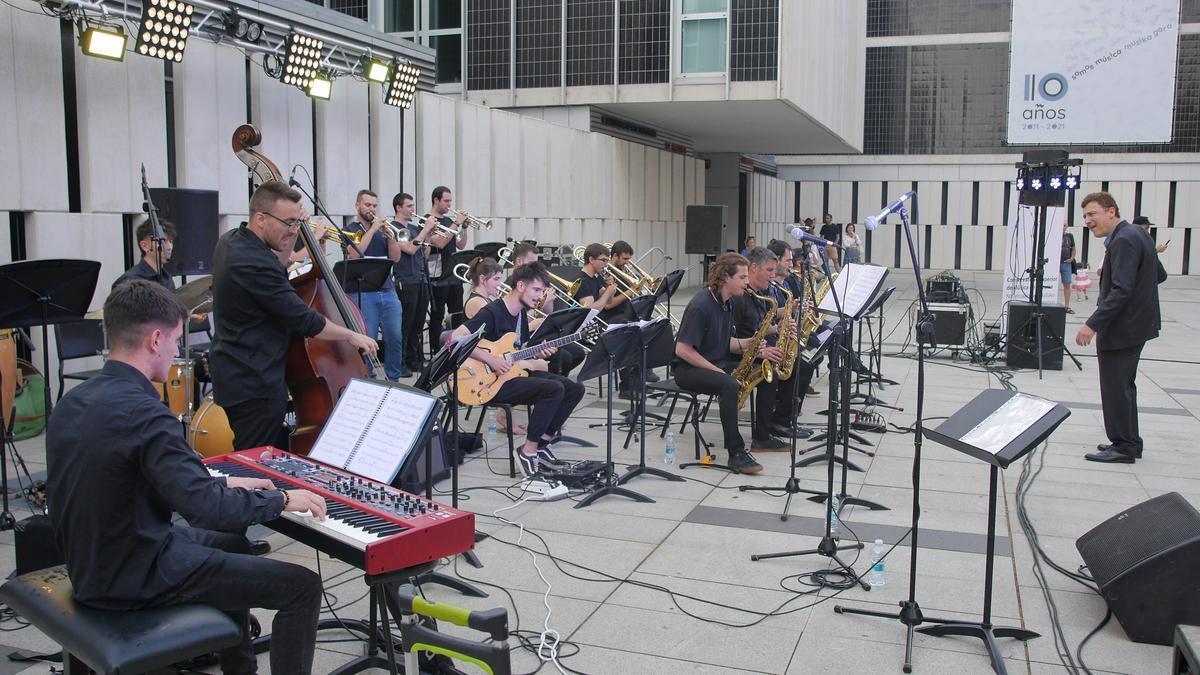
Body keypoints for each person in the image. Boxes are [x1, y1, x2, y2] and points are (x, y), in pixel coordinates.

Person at [47, 279, 328, 674]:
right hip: (134, 575)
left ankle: (239, 667)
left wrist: (227, 482)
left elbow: (132, 478)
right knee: (302, 587)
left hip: (94, 560)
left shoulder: (74, 401)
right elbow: (207, 510)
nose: (178, 351)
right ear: (156, 339)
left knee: (232, 544)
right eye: (177, 341)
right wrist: (281, 499)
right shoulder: (146, 414)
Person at [210, 180, 378, 451]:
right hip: (253, 380)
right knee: (255, 458)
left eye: (295, 223)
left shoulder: (232, 241)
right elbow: (306, 320)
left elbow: (280, 262)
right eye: (288, 222)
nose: (293, 230)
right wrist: (351, 335)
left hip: (238, 372)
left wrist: (294, 231)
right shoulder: (253, 263)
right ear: (261, 218)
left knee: (260, 453)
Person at [449, 262, 585, 477]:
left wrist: (537, 352)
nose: (540, 296)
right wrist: (489, 359)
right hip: (487, 382)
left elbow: (518, 349)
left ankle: (541, 444)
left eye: (542, 291)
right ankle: (527, 451)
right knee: (553, 389)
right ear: (521, 285)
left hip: (510, 374)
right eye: (536, 290)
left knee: (574, 389)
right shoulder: (492, 312)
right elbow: (453, 339)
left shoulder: (521, 313)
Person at [1075, 192, 1165, 464]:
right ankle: (1129, 441)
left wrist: (1092, 324)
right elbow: (1159, 275)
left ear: (1111, 211)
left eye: (1093, 214)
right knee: (1125, 386)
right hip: (1136, 326)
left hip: (1123, 328)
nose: (1088, 221)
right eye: (1085, 216)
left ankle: (1124, 447)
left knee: (1115, 387)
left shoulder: (1124, 240)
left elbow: (1121, 290)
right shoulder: (1139, 236)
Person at [673, 252, 766, 475]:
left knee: (763, 370)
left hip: (715, 362)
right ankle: (736, 453)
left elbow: (725, 342)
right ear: (726, 278)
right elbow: (682, 349)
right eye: (742, 277)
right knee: (729, 385)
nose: (746, 282)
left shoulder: (728, 302)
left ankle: (764, 433)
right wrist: (720, 373)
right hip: (688, 370)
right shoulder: (701, 306)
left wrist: (751, 344)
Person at [731, 247, 795, 452]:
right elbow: (727, 339)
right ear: (754, 267)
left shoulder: (760, 294)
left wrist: (781, 328)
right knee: (771, 375)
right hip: (736, 353)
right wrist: (759, 352)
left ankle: (778, 422)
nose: (773, 275)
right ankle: (762, 435)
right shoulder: (738, 296)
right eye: (769, 270)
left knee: (794, 362)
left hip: (753, 347)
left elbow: (760, 326)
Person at [345, 189, 406, 380]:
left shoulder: (382, 231)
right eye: (367, 205)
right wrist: (372, 230)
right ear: (357, 205)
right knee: (368, 339)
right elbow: (354, 254)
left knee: (395, 337)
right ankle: (368, 379)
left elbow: (395, 258)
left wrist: (389, 236)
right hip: (363, 293)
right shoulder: (351, 228)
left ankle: (393, 379)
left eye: (374, 205)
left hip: (387, 289)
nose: (371, 209)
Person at [392, 192, 437, 377]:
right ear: (398, 207)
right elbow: (409, 249)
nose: (412, 209)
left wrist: (428, 237)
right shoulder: (394, 228)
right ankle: (401, 362)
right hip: (406, 280)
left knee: (418, 324)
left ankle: (413, 359)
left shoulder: (413, 227)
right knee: (406, 323)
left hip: (421, 278)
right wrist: (425, 230)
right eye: (409, 206)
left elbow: (423, 254)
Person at [425, 186, 469, 352]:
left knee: (457, 313)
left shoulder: (448, 221)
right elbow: (440, 243)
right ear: (436, 200)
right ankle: (437, 350)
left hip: (454, 274)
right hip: (438, 275)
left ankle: (457, 348)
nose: (449, 205)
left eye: (450, 201)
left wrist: (463, 227)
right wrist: (456, 222)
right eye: (446, 201)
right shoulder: (428, 220)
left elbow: (461, 244)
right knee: (437, 316)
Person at [113, 220, 177, 290]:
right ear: (145, 246)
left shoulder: (167, 278)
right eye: (162, 242)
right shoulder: (130, 281)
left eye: (171, 241)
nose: (169, 247)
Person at [1061, 219, 1077, 314]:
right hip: (1056, 263)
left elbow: (1074, 248)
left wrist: (1071, 258)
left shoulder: (1069, 236)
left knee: (1067, 283)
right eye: (1062, 225)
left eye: (1065, 225)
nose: (1064, 226)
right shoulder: (1053, 235)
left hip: (1066, 262)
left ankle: (1067, 306)